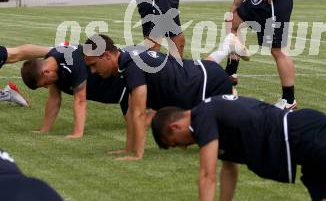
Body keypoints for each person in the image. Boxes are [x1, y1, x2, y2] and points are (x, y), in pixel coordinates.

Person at [151, 95, 326, 201]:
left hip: (303, 134)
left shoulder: (202, 116)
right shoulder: (212, 121)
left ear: (174, 127)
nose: (182, 148)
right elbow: (227, 169)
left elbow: (207, 174)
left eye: (175, 145)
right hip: (299, 148)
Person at [83, 33, 249, 161]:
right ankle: (228, 49)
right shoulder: (126, 59)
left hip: (207, 84)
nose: (92, 71)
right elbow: (132, 111)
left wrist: (137, 154)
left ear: (106, 56)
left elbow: (139, 113)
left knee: (225, 140)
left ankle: (234, 95)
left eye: (93, 65)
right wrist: (128, 148)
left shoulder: (132, 66)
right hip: (200, 75)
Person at [20, 44, 128, 139]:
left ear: (46, 72)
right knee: (136, 122)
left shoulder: (71, 63)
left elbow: (80, 100)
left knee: (138, 122)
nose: (46, 87)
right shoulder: (51, 61)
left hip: (124, 85)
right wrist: (45, 129)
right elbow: (54, 99)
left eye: (44, 84)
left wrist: (77, 133)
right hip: (114, 91)